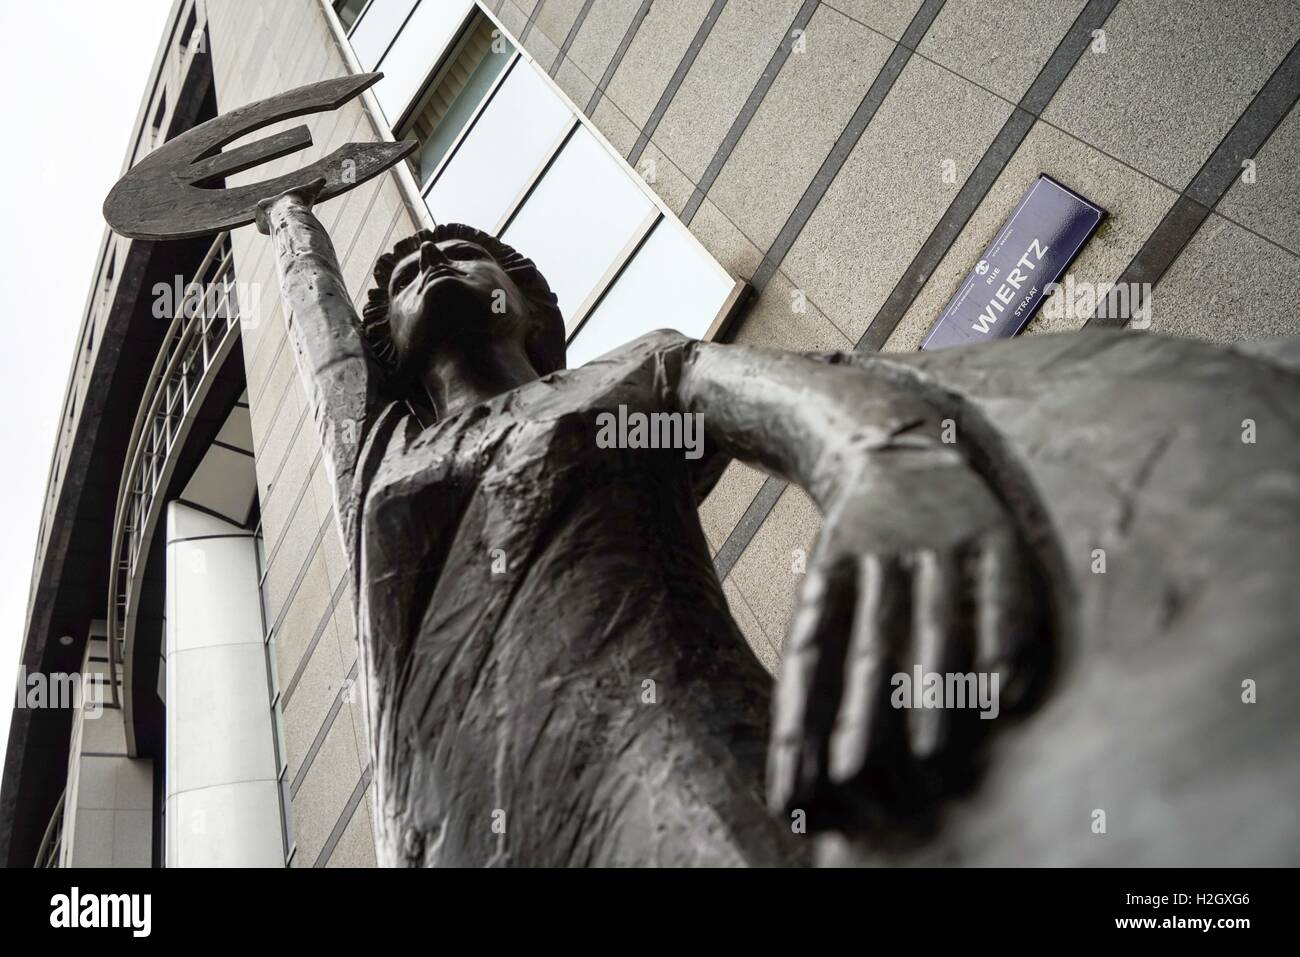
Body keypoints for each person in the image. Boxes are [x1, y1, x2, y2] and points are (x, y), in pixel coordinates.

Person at [256, 180, 1298, 867]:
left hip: (660, 772)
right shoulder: (383, 469)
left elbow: (814, 400)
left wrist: (888, 477)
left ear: (529, 306)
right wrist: (286, 220)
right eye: (395, 276)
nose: (426, 266)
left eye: (462, 251)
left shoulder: (622, 378)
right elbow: (320, 353)